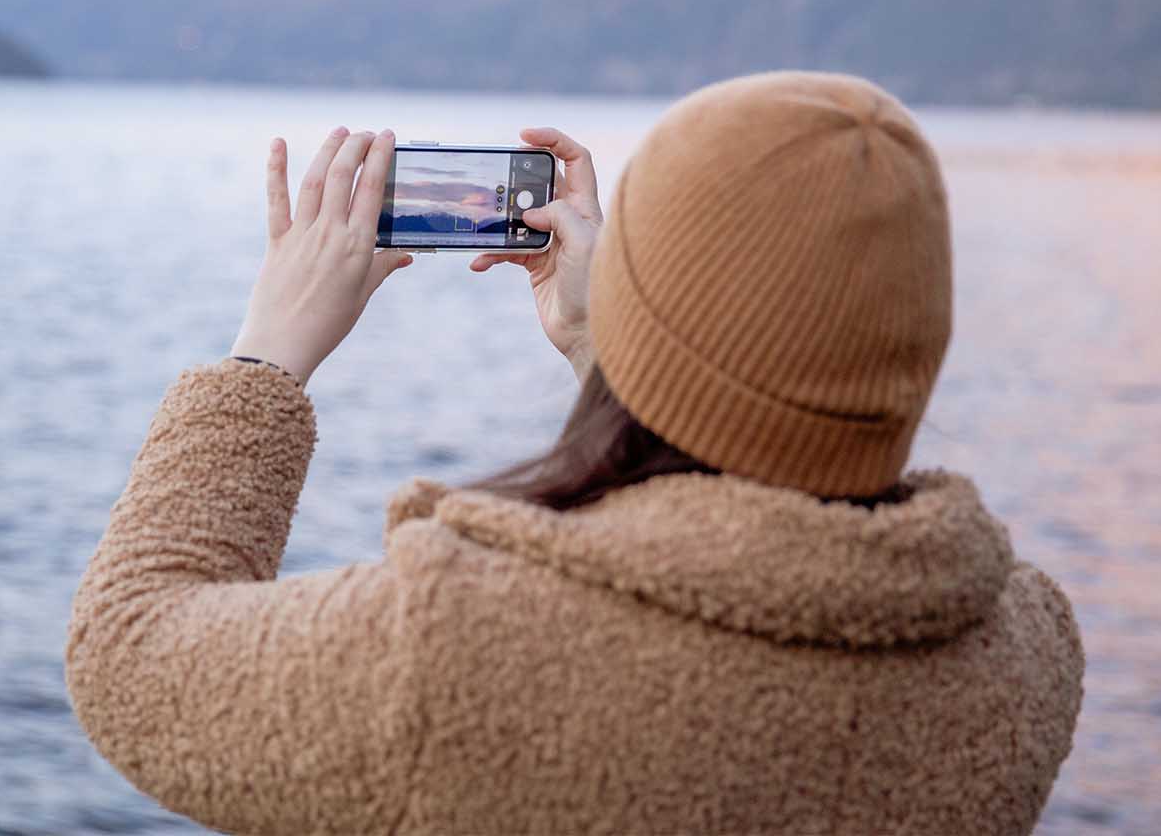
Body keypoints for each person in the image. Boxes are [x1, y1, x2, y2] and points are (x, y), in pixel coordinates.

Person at [66, 72, 1084, 835]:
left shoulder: (462, 650)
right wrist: (622, 356)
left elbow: (128, 656)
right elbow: (772, 458)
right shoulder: (1023, 657)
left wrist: (267, 355)